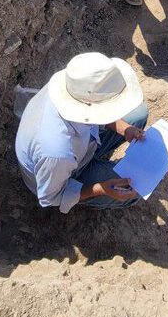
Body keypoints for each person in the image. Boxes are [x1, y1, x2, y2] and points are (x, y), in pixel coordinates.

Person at [15, 52, 149, 212]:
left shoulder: (72, 88)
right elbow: (50, 198)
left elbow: (96, 114)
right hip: (63, 175)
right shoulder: (57, 153)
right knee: (135, 188)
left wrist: (125, 129)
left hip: (78, 148)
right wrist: (102, 189)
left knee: (138, 114)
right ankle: (95, 176)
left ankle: (99, 163)